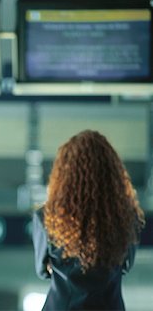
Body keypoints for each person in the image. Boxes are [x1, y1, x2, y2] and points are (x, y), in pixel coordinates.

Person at [32, 130, 145, 310]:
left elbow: (42, 270)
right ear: (112, 173)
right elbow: (126, 265)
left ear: (63, 173)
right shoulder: (128, 217)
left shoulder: (47, 216)